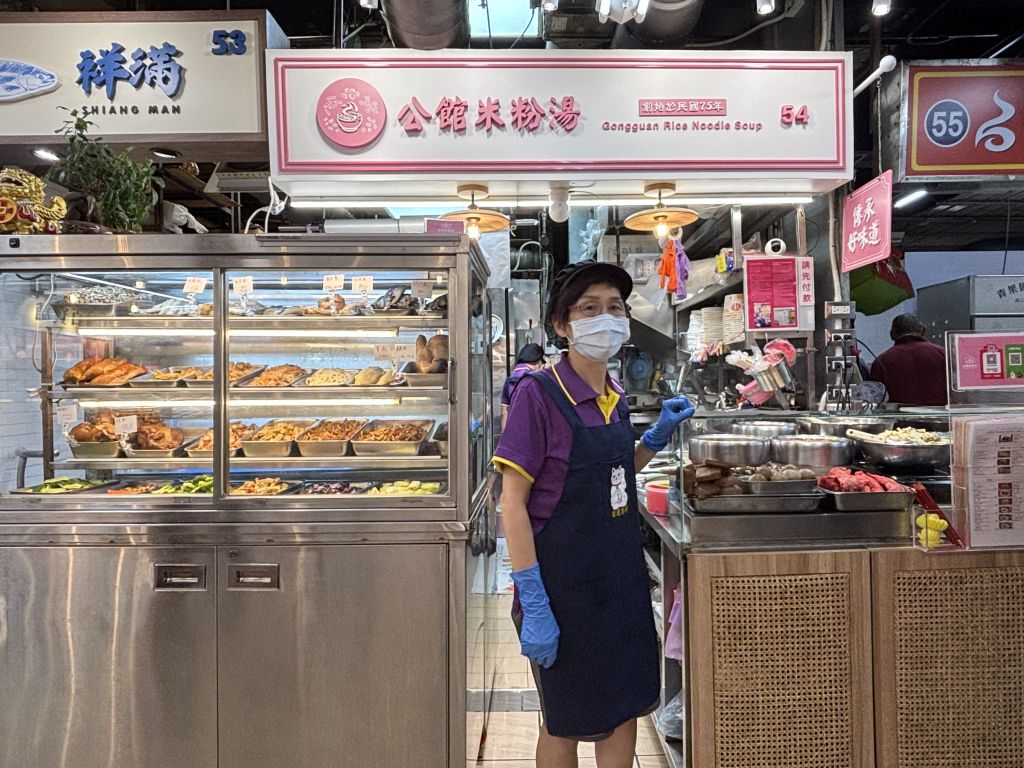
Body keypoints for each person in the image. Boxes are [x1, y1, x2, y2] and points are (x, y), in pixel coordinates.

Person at [492, 260, 694, 768]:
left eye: (615, 308)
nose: (606, 318)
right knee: (565, 723)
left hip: (619, 582)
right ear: (561, 325)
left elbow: (613, 470)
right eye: (589, 308)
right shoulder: (538, 395)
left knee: (624, 711)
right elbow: (511, 501)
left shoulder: (615, 395)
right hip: (561, 589)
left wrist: (652, 440)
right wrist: (532, 597)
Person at [869, 314, 948, 406]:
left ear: (892, 335)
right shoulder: (943, 354)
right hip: (940, 413)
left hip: (897, 414)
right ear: (923, 331)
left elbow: (875, 399)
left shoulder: (882, 361)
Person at [500, 342, 546, 430]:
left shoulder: (509, 380)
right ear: (539, 363)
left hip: (514, 430)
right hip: (532, 429)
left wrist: (504, 435)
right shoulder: (536, 380)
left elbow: (504, 412)